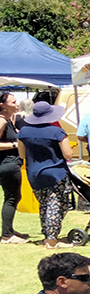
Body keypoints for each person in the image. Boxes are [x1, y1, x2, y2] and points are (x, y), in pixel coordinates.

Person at [17, 102, 74, 249]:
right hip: (56, 173)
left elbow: (22, 154)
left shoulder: (23, 132)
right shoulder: (57, 132)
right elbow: (68, 154)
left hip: (34, 174)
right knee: (56, 205)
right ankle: (51, 239)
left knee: (44, 205)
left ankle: (47, 234)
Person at [1, 92, 28, 244]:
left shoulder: (8, 120)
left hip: (12, 163)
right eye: (13, 102)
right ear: (2, 106)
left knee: (14, 196)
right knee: (11, 198)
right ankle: (6, 235)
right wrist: (15, 144)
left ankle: (9, 230)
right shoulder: (2, 122)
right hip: (7, 164)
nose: (17, 105)